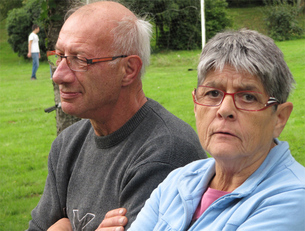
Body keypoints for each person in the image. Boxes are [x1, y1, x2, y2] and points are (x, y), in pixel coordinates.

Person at [97, 29, 305, 231]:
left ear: (279, 118)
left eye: (248, 97)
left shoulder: (293, 198)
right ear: (196, 105)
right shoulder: (178, 181)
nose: (225, 110)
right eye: (213, 93)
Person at [27, 1, 206, 231]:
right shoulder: (67, 145)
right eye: (59, 56)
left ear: (128, 70)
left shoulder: (165, 153)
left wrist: (63, 227)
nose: (58, 75)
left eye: (79, 59)